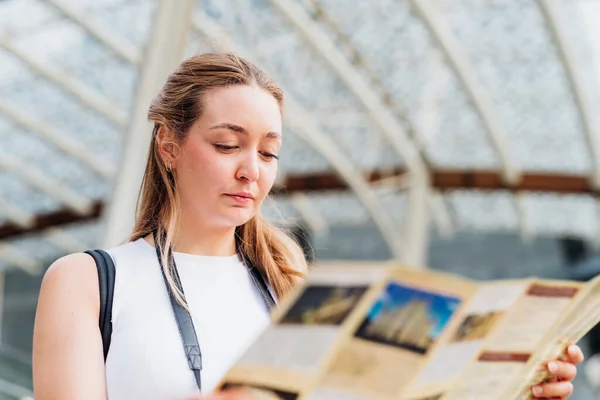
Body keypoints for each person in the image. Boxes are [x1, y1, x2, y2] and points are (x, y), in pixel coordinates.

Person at [31, 52, 584, 400]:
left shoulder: (290, 282)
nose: (251, 170)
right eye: (228, 145)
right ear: (169, 145)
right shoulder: (87, 282)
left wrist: (516, 387)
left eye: (269, 154)